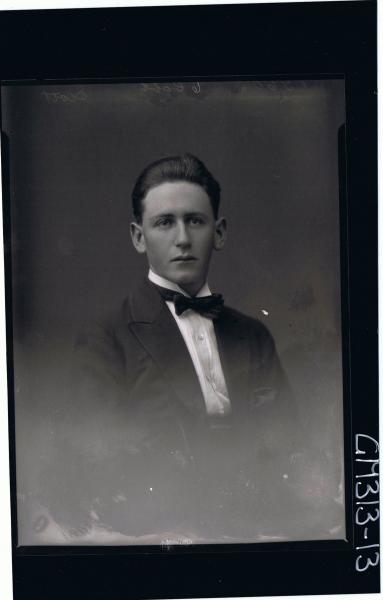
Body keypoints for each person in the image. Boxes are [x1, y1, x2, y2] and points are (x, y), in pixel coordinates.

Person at [39, 154, 341, 543]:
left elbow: (288, 444)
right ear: (137, 236)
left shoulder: (252, 336)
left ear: (219, 232)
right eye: (164, 223)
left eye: (195, 221)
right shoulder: (106, 338)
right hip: (161, 532)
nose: (182, 238)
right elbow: (98, 465)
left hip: (259, 526)